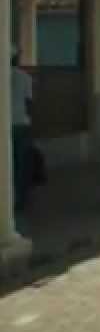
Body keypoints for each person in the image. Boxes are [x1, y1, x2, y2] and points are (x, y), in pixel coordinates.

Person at [11, 48, 33, 212]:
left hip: (5, 127)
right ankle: (21, 200)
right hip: (21, 124)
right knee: (21, 164)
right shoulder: (25, 77)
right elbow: (29, 103)